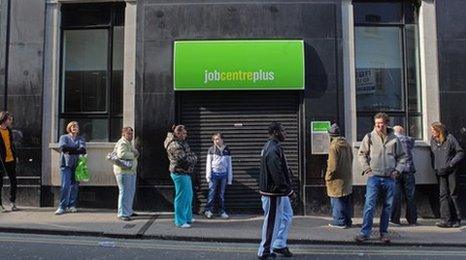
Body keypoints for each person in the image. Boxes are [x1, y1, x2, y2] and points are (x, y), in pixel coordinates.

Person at [355, 113, 406, 243]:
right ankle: (365, 232)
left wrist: (397, 171)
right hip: (374, 178)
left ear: (386, 123)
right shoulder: (369, 137)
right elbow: (361, 154)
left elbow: (402, 157)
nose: (378, 125)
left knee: (388, 206)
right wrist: (367, 170)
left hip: (390, 178)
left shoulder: (394, 138)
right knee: (369, 205)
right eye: (376, 123)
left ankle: (384, 233)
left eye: (381, 123)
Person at [257, 122, 295, 259]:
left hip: (278, 191)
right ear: (275, 132)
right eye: (283, 131)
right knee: (272, 221)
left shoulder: (274, 146)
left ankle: (279, 243)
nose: (286, 134)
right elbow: (276, 173)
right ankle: (264, 251)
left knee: (287, 215)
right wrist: (288, 190)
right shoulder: (273, 148)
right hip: (273, 192)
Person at [430, 122, 464, 228]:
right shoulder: (433, 140)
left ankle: (457, 218)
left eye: (433, 130)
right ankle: (445, 219)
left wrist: (451, 164)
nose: (432, 132)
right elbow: (433, 154)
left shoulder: (450, 138)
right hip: (440, 171)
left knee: (453, 194)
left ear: (439, 130)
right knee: (443, 195)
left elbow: (460, 152)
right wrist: (435, 167)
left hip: (451, 170)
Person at [164, 125, 198, 228]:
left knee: (188, 196)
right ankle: (180, 221)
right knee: (181, 197)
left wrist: (191, 157)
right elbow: (183, 159)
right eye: (184, 133)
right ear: (178, 133)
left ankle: (187, 217)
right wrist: (194, 158)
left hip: (185, 172)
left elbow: (188, 155)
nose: (186, 135)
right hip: (179, 173)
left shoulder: (180, 143)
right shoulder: (174, 145)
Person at [325, 123, 353, 229]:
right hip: (346, 177)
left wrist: (328, 176)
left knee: (336, 199)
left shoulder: (334, 146)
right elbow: (351, 158)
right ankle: (347, 221)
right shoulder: (347, 144)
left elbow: (332, 165)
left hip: (337, 178)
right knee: (345, 199)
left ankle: (339, 221)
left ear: (331, 135)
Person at [55, 121, 86, 215]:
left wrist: (70, 150)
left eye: (76, 126)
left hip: (77, 165)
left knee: (74, 186)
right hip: (66, 164)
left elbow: (83, 150)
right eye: (72, 126)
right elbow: (63, 149)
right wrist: (75, 150)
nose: (74, 127)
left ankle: (72, 205)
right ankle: (62, 206)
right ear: (69, 128)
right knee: (65, 185)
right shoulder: (63, 137)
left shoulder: (80, 138)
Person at [390, 125, 417, 226]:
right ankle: (412, 220)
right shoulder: (410, 140)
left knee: (396, 195)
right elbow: (412, 141)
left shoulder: (393, 141)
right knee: (410, 196)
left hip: (397, 170)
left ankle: (395, 219)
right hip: (409, 170)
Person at [204, 133, 233, 219]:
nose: (216, 141)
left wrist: (230, 178)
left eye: (217, 139)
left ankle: (222, 211)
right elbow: (208, 164)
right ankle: (208, 210)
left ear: (222, 139)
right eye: (214, 139)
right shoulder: (211, 149)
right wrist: (208, 176)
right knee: (212, 193)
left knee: (221, 194)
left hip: (223, 175)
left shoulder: (227, 150)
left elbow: (229, 165)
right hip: (214, 175)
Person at [113, 127, 139, 221]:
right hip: (123, 171)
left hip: (130, 171)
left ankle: (128, 211)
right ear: (123, 134)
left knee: (130, 192)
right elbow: (121, 155)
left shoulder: (128, 143)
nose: (131, 135)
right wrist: (134, 154)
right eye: (129, 134)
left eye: (132, 134)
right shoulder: (122, 143)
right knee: (124, 192)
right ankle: (122, 213)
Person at [0, 111, 18, 212]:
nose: (10, 121)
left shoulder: (9, 130)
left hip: (11, 159)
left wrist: (15, 156)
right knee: (0, 182)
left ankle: (12, 202)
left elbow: (11, 144)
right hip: (1, 160)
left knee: (14, 181)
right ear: (4, 119)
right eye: (9, 119)